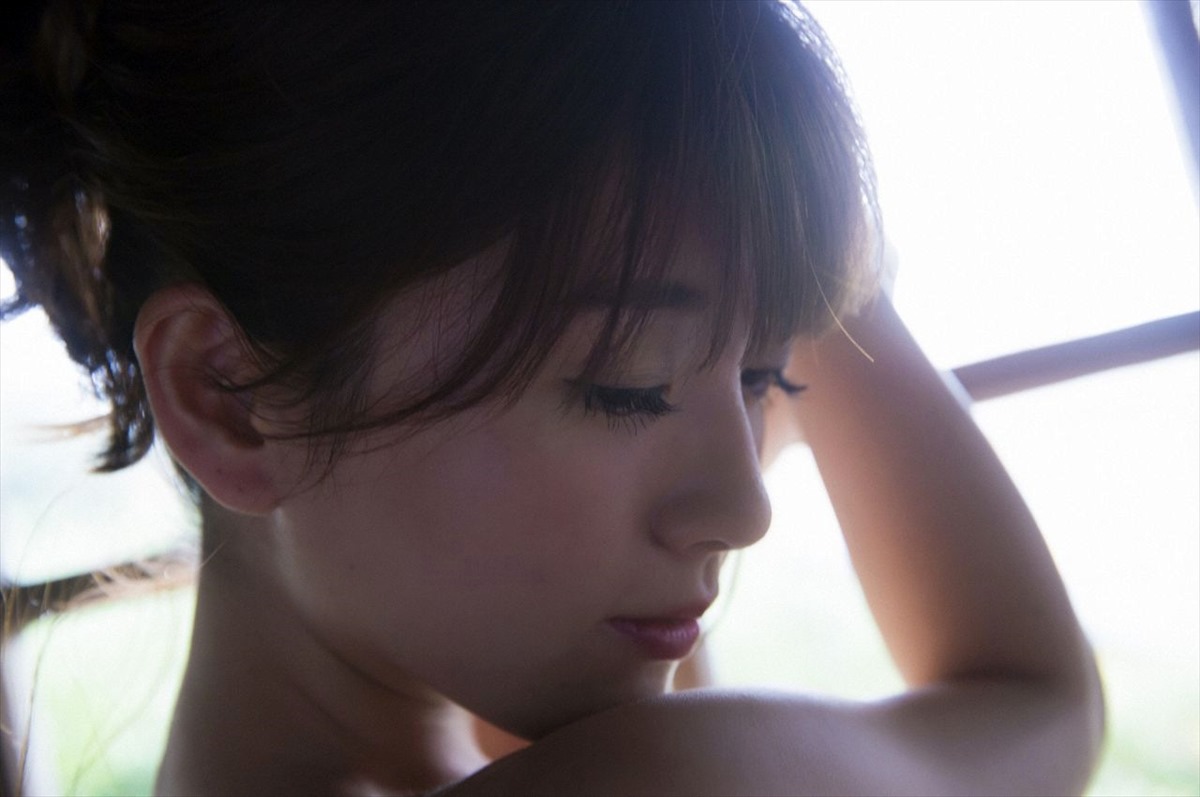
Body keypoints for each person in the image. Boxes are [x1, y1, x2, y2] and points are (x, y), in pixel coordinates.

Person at [0, 1, 1104, 794]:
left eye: (764, 374)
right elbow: (1037, 699)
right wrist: (812, 237)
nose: (745, 506)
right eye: (627, 385)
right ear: (227, 395)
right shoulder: (649, 775)